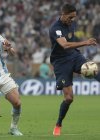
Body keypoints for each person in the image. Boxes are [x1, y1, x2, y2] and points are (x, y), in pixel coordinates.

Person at [49, 4, 100, 136]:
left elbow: (71, 41)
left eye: (74, 17)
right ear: (63, 14)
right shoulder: (55, 28)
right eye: (70, 17)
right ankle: (58, 124)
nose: (72, 20)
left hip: (74, 56)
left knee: (94, 70)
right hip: (60, 62)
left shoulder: (71, 24)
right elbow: (65, 45)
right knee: (69, 98)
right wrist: (86, 42)